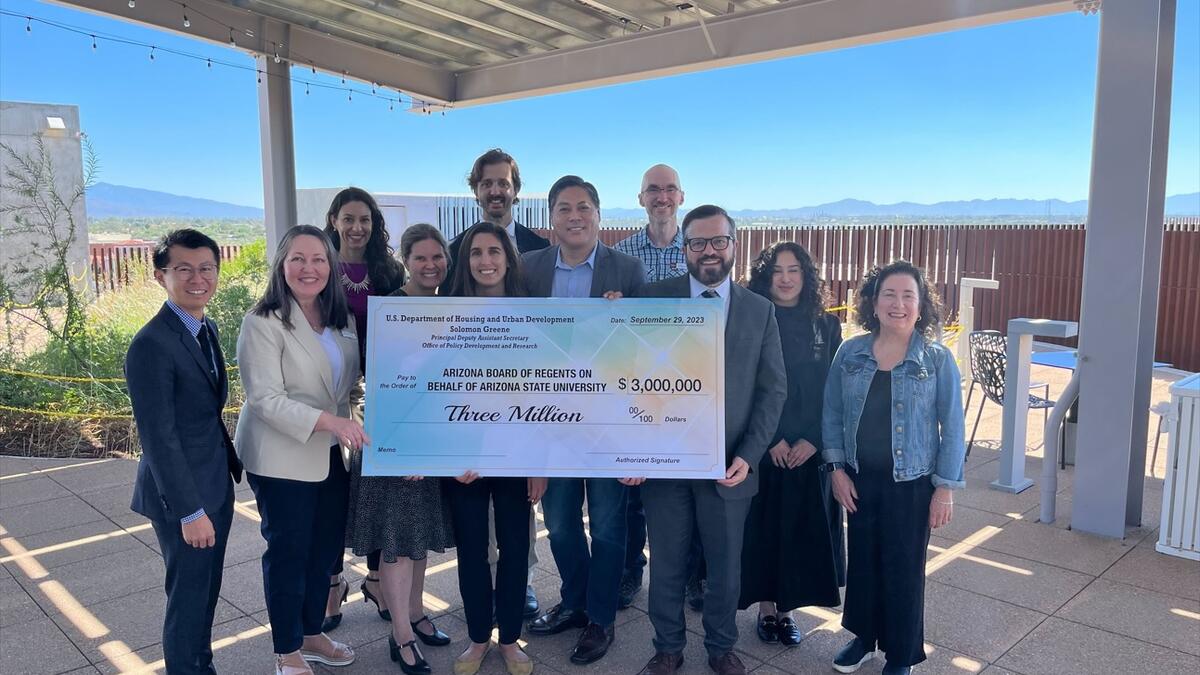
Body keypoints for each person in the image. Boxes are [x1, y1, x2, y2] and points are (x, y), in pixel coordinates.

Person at [630, 205, 786, 675]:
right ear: (684, 248)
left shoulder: (759, 311)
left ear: (734, 246)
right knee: (668, 564)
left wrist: (749, 455)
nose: (709, 251)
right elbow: (626, 376)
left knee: (725, 569)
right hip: (665, 464)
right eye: (697, 242)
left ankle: (721, 646)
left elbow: (773, 389)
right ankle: (668, 646)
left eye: (719, 241)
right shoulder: (652, 300)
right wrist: (632, 448)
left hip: (729, 466)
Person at [522, 176, 644, 664]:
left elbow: (644, 353)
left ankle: (600, 618)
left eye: (584, 207)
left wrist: (624, 321)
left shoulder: (628, 269)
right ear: (552, 217)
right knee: (560, 522)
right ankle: (575, 599)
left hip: (609, 421)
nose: (575, 216)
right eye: (565, 208)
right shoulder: (528, 269)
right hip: (551, 420)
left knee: (611, 526)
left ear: (599, 213)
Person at [821, 261, 965, 675]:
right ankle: (864, 639)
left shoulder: (936, 360)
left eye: (908, 296)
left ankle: (901, 655)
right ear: (873, 301)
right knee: (864, 563)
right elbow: (831, 412)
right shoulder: (851, 352)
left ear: (921, 307)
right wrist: (836, 470)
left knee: (903, 569)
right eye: (889, 294)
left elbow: (953, 426)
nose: (898, 304)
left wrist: (945, 488)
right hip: (859, 479)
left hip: (913, 484)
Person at [235, 225, 364, 675]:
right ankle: (286, 649)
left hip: (331, 453)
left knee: (325, 549)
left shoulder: (339, 318)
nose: (309, 269)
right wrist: (333, 423)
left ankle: (311, 633)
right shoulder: (262, 322)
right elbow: (265, 399)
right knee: (289, 551)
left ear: (331, 266)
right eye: (298, 259)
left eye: (319, 260)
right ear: (282, 265)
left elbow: (347, 387)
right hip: (281, 455)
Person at [127, 229, 244, 675]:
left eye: (207, 268)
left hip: (214, 481)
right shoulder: (151, 345)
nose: (198, 278)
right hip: (184, 498)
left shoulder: (204, 327)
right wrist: (189, 511)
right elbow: (158, 438)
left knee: (207, 590)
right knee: (188, 596)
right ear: (161, 276)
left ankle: (201, 665)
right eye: (184, 269)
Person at [343, 223, 455, 675]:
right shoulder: (390, 309)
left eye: (437, 257)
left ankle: (416, 613)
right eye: (421, 257)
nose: (430, 265)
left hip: (435, 440)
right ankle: (401, 636)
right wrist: (404, 448)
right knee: (395, 542)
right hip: (397, 443)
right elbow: (383, 383)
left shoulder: (453, 307)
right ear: (406, 261)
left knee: (419, 537)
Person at [444, 149, 548, 618]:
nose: (495, 190)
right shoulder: (454, 249)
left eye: (503, 182)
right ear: (476, 190)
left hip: (517, 429)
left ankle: (519, 587)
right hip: (466, 427)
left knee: (515, 528)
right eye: (486, 183)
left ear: (515, 188)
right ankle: (482, 611)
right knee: (475, 536)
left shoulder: (538, 248)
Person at [738, 242, 843, 647]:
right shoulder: (752, 319)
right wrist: (771, 440)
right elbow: (745, 384)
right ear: (766, 275)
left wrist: (813, 441)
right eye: (777, 270)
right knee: (764, 530)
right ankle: (766, 609)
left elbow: (833, 391)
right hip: (766, 447)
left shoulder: (826, 326)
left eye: (794, 270)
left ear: (807, 276)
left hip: (808, 450)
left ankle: (787, 611)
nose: (785, 278)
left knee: (800, 532)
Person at [322, 187, 406, 631]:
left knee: (378, 484)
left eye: (366, 220)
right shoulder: (317, 267)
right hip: (329, 393)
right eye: (349, 218)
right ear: (333, 219)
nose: (357, 227)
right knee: (333, 487)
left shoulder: (388, 270)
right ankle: (333, 583)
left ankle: (375, 578)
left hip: (380, 391)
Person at [612, 164, 695, 611]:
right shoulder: (621, 256)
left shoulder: (700, 249)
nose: (661, 197)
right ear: (640, 198)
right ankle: (630, 572)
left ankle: (690, 575)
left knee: (687, 484)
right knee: (632, 491)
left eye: (669, 189)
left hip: (689, 384)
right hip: (633, 383)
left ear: (681, 196)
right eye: (652, 190)